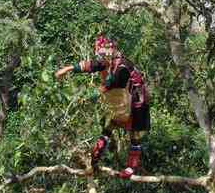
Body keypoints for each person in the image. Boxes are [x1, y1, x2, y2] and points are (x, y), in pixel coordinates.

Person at [55, 36, 150, 179]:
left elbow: (111, 84)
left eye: (102, 54)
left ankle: (131, 167)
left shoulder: (122, 66)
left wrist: (87, 96)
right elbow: (92, 65)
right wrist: (68, 69)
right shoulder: (108, 61)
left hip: (136, 101)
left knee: (134, 133)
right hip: (120, 100)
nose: (101, 58)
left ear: (110, 52)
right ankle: (94, 158)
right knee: (109, 125)